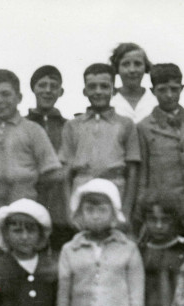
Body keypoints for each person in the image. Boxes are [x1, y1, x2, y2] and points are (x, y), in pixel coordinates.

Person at [0, 69, 63, 268]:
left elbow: (52, 174)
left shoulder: (33, 131)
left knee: (24, 267)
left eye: (6, 94)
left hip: (23, 212)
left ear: (18, 97)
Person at [135, 63, 184, 237]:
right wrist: (141, 210)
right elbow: (143, 174)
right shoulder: (144, 128)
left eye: (174, 89)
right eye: (162, 90)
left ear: (182, 88)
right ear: (153, 91)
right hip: (165, 212)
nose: (169, 95)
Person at [60, 63, 140, 220]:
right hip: (82, 191)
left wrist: (126, 210)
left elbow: (132, 171)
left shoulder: (126, 124)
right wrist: (70, 211)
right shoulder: (72, 125)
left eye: (104, 86)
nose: (98, 91)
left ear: (114, 90)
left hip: (115, 190)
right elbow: (66, 173)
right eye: (92, 87)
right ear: (85, 91)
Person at [25, 65, 74, 251]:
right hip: (28, 207)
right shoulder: (22, 125)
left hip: (61, 212)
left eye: (53, 86)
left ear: (60, 91)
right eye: (42, 85)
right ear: (33, 88)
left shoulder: (69, 127)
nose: (47, 90)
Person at [109, 42, 157, 123]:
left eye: (137, 64)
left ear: (146, 67)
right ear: (117, 68)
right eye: (125, 64)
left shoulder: (156, 99)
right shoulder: (109, 100)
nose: (132, 70)